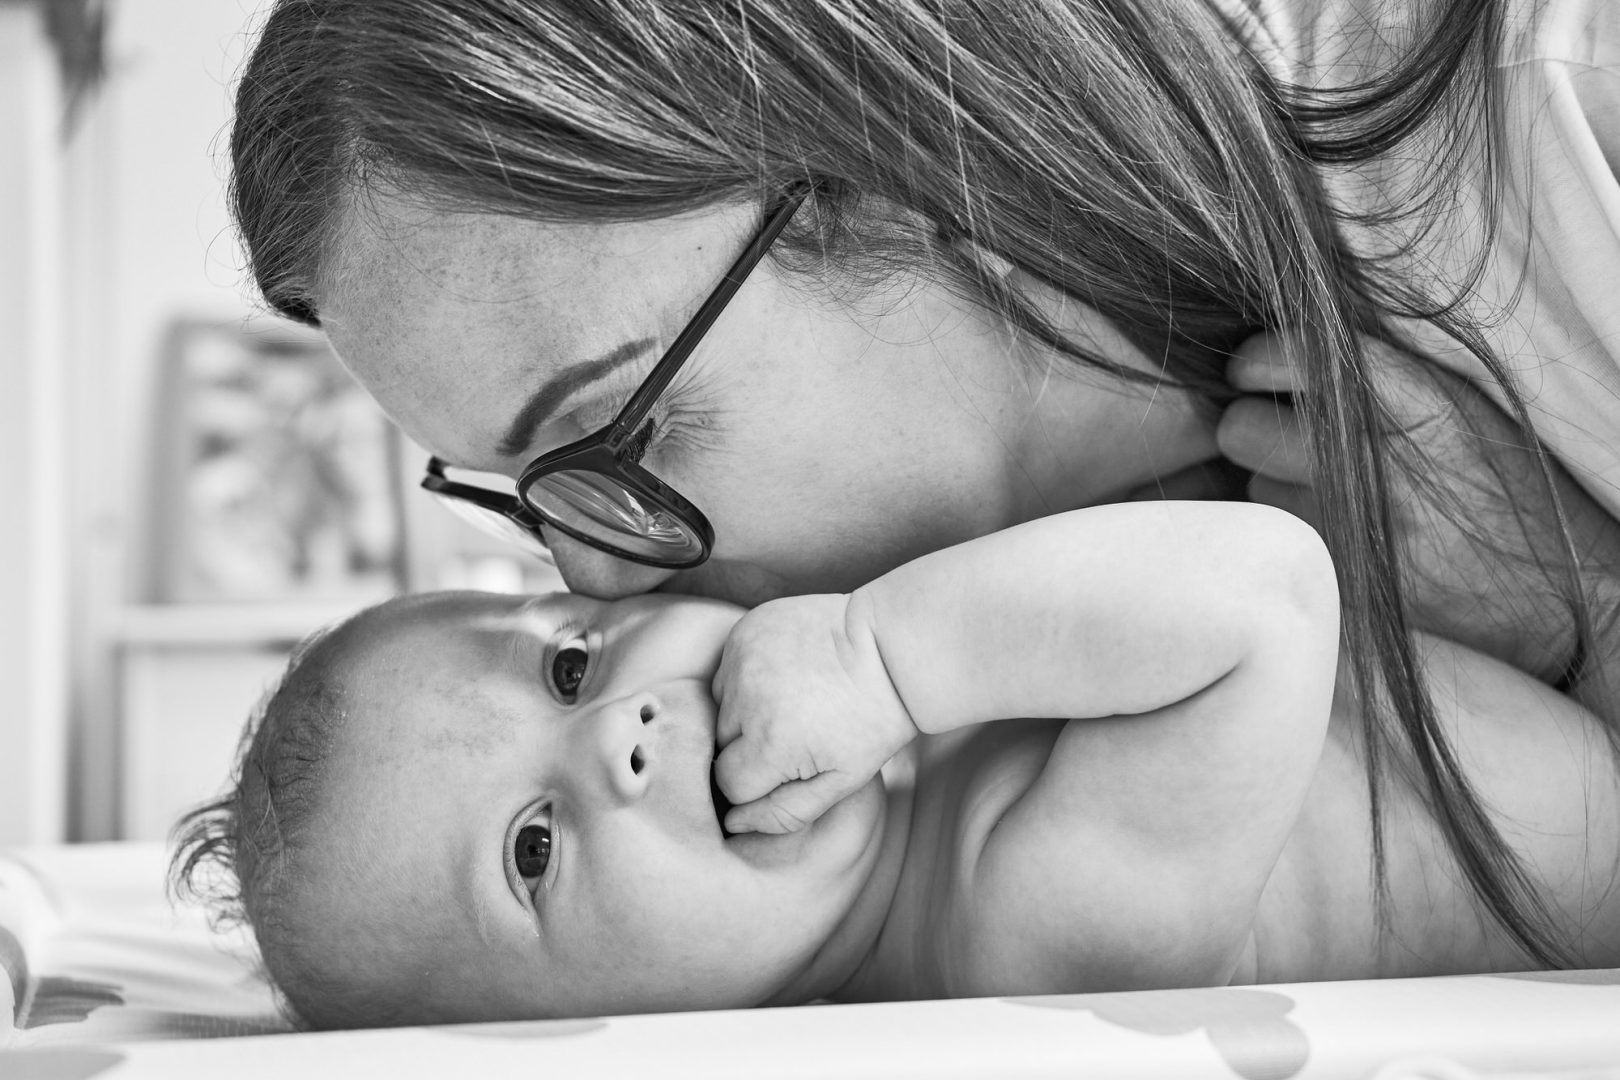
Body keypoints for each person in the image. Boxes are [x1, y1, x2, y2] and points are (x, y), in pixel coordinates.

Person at [225, 0, 1620, 969]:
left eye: (611, 434)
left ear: (872, 169)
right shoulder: (940, 741)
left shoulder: (1565, 120)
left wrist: (1582, 598)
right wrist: (1574, 619)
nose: (595, 577)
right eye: (534, 501)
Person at [169, 500, 1620, 1030]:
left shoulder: (917, 773)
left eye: (565, 666)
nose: (616, 732)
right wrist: (880, 659)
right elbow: (1267, 603)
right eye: (530, 850)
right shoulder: (1015, 941)